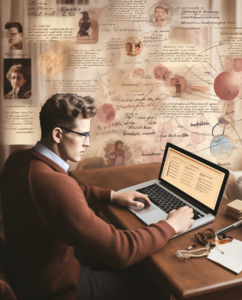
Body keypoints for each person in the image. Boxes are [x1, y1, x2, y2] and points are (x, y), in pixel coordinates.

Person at [0, 93, 194, 300]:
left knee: (145, 264)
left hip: (32, 266)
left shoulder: (18, 160)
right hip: (56, 288)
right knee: (158, 290)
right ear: (58, 134)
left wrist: (111, 195)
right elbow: (121, 251)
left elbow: (62, 197)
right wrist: (171, 225)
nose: (88, 143)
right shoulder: (52, 183)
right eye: (82, 135)